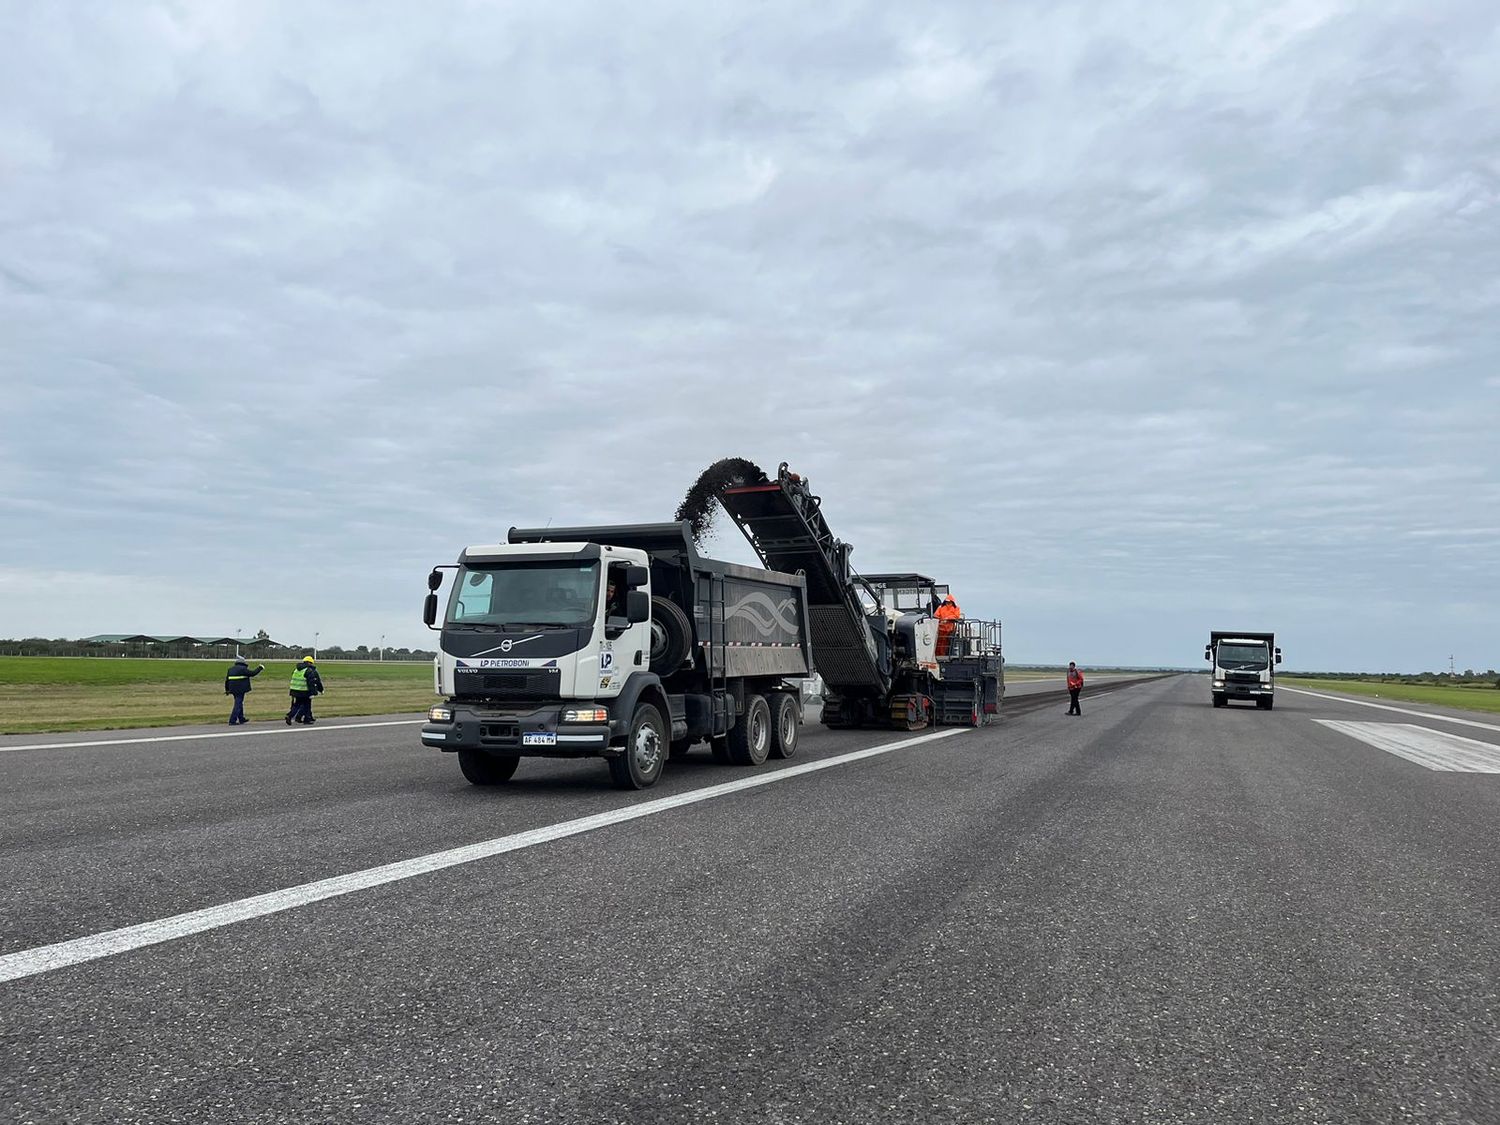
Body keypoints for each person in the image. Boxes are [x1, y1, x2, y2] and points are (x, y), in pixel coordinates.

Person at [223, 657, 265, 725]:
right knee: (238, 704)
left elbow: (227, 680)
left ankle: (241, 718)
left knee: (239, 703)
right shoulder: (243, 669)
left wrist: (227, 690)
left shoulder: (230, 669)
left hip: (232, 689)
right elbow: (253, 673)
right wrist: (260, 668)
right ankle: (232, 720)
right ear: (243, 663)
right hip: (240, 689)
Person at [285, 655, 325, 725]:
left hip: (295, 690)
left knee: (297, 705)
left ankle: (290, 715)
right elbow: (311, 683)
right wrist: (313, 693)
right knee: (307, 705)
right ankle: (307, 719)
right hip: (304, 691)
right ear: (310, 663)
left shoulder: (297, 669)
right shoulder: (309, 670)